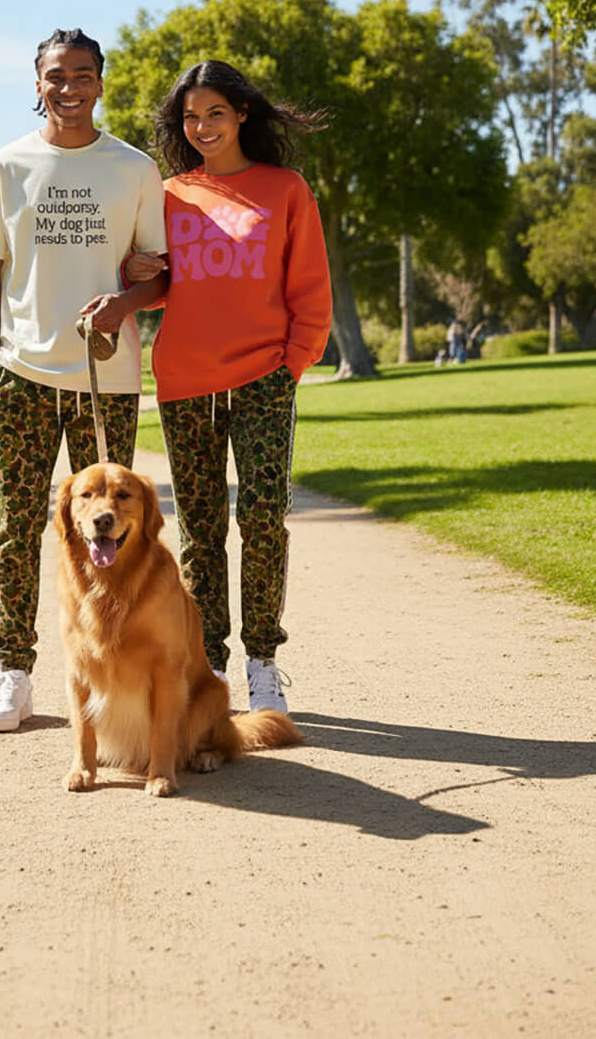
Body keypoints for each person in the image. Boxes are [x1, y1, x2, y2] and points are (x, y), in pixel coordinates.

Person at [0, 28, 167, 733]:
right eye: (56, 76)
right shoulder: (5, 166)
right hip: (21, 377)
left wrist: (127, 303)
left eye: (82, 75)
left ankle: (109, 673)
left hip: (107, 378)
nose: (69, 87)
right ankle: (13, 672)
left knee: (107, 536)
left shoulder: (135, 169)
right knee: (15, 528)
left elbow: (160, 273)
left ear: (101, 82)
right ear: (37, 82)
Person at [125, 60, 332, 714]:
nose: (202, 126)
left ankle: (262, 660)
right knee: (200, 532)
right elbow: (159, 285)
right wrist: (136, 275)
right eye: (190, 116)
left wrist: (290, 366)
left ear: (242, 113)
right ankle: (207, 665)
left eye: (215, 112)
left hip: (263, 381)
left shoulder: (285, 189)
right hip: (185, 382)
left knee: (264, 520)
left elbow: (310, 291)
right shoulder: (169, 194)